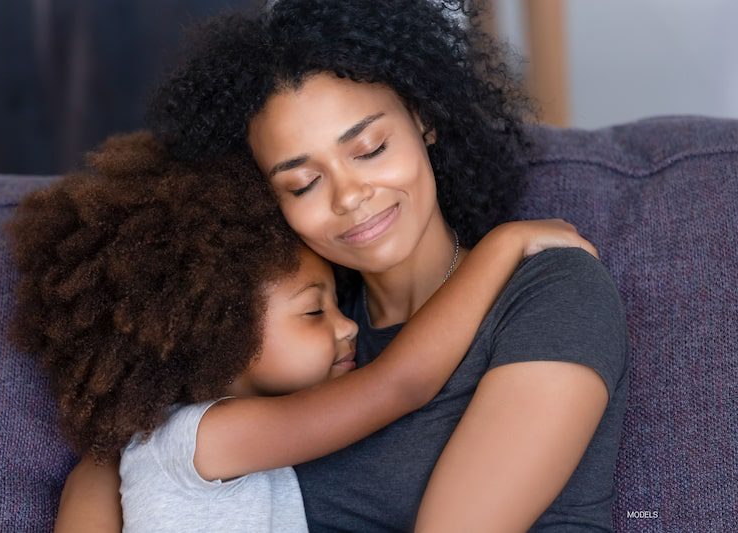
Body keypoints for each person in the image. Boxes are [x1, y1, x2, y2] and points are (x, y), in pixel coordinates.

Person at [59, 0, 629, 531]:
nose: (349, 195)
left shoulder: (552, 291)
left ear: (423, 119)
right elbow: (123, 454)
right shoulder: (301, 326)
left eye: (371, 148)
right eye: (303, 183)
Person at [8, 131, 595, 532]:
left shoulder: (159, 448)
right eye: (314, 313)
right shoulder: (207, 438)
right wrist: (503, 245)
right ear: (221, 337)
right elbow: (400, 384)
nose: (347, 328)